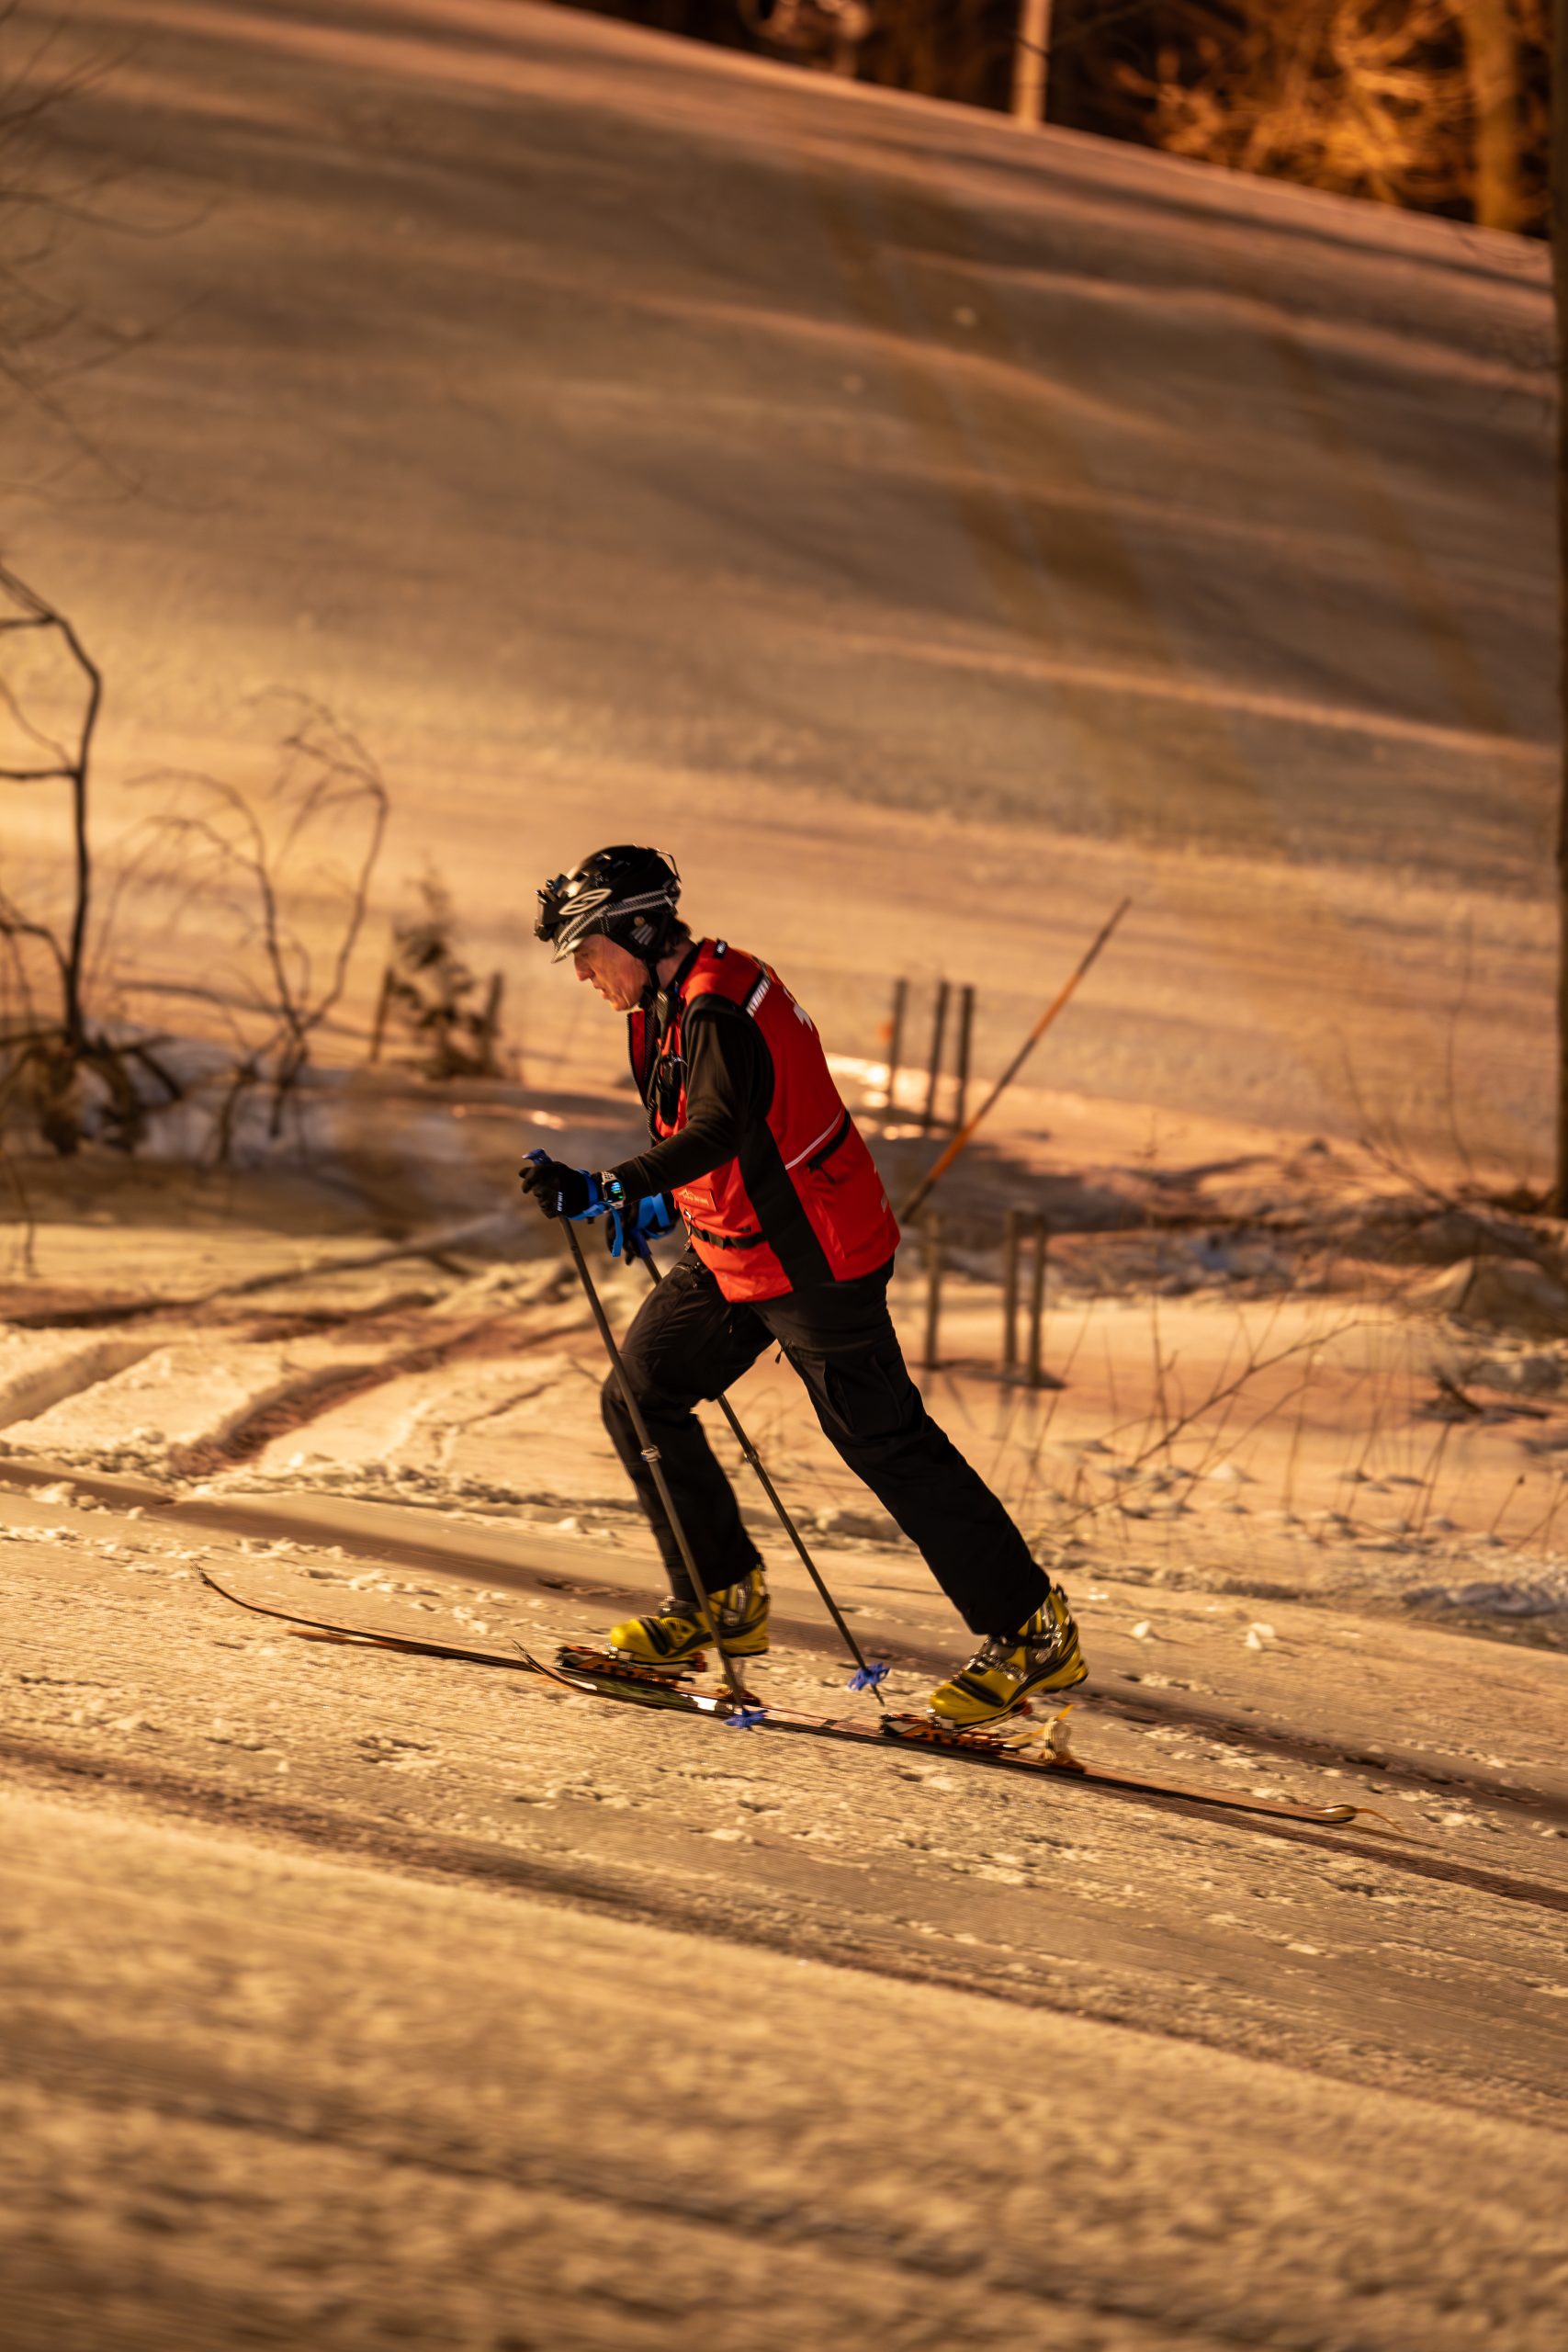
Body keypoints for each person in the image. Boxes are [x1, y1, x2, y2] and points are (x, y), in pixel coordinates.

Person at [520, 844, 1087, 1726]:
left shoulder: (715, 1007)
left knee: (885, 1442)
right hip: (738, 1248)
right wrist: (666, 1199)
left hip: (815, 1257)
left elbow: (718, 1126)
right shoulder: (666, 1005)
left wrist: (613, 1187)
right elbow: (720, 1136)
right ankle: (716, 1597)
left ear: (637, 930)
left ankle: (1030, 1633)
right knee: (641, 1396)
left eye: (588, 952)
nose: (583, 974)